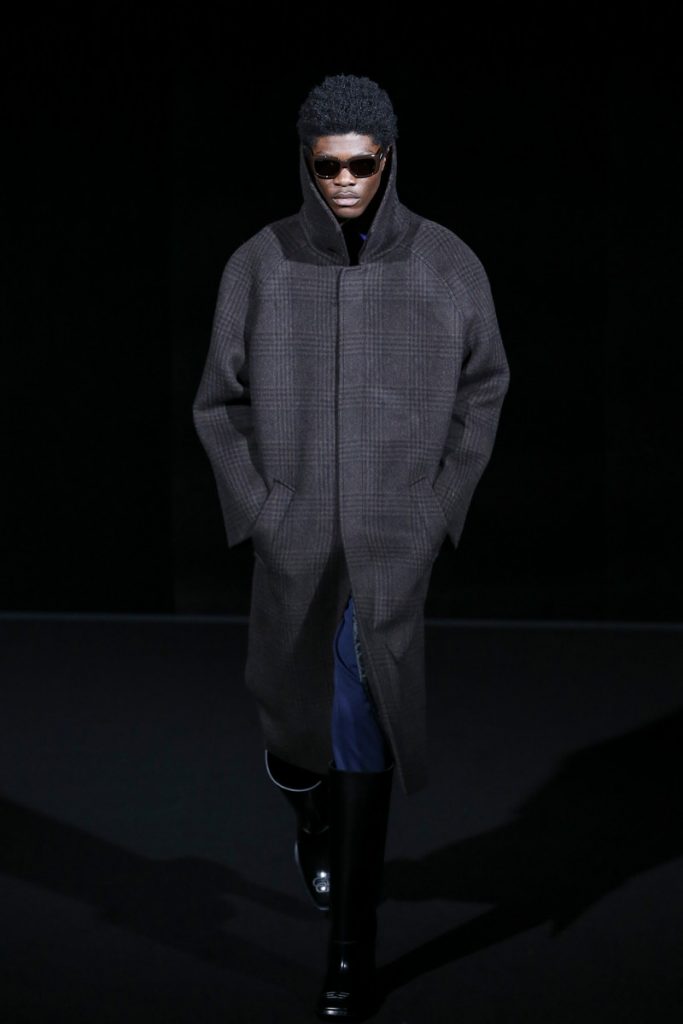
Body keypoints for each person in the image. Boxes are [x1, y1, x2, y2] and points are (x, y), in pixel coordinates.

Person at [193, 73, 510, 1021]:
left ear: (388, 158)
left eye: (360, 164)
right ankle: (307, 805)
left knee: (365, 720)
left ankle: (349, 951)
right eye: (326, 164)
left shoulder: (445, 263)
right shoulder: (259, 263)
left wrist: (437, 507)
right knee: (293, 728)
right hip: (295, 543)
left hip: (390, 544)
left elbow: (484, 388)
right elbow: (217, 404)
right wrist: (263, 510)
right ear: (304, 161)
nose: (342, 181)